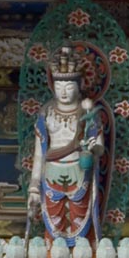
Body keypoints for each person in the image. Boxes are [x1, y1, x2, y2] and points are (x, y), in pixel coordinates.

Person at [27, 47, 106, 245]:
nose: (63, 92)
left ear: (79, 86)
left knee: (82, 227)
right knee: (54, 228)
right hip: (51, 173)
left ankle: (83, 257)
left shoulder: (87, 112)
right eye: (59, 86)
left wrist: (92, 149)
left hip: (80, 172)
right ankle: (52, 256)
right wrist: (34, 187)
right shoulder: (46, 112)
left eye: (69, 86)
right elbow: (39, 154)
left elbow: (99, 147)